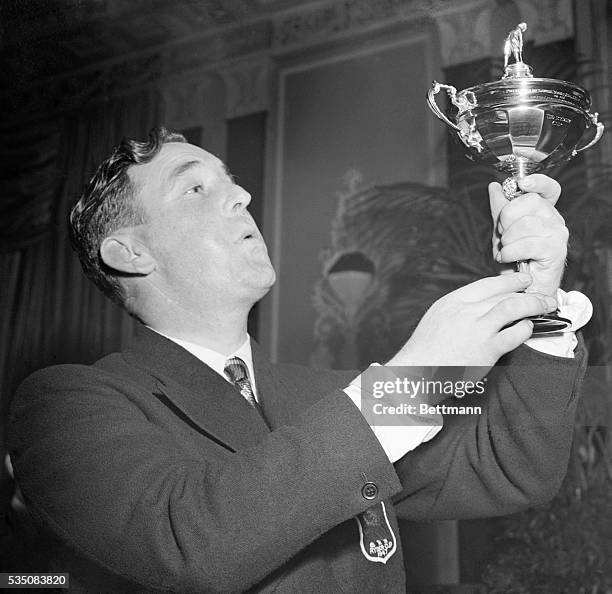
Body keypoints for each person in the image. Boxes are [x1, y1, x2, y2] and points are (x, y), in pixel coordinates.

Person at [8, 127, 590, 592]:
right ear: (130, 252)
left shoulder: (327, 393)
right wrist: (418, 377)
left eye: (232, 182)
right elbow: (189, 544)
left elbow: (507, 467)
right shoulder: (64, 405)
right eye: (195, 187)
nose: (241, 194)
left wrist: (538, 302)